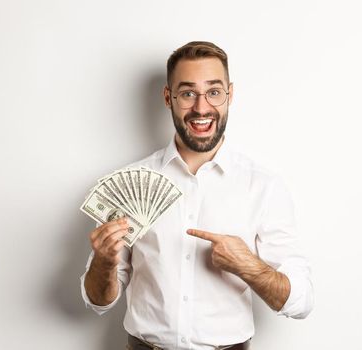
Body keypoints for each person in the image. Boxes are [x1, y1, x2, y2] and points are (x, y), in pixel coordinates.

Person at [80, 41, 314, 350]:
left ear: (229, 95)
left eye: (214, 92)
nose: (201, 108)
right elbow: (98, 301)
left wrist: (249, 266)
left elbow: (301, 301)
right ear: (169, 97)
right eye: (188, 93)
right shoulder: (131, 183)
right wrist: (104, 262)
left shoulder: (264, 187)